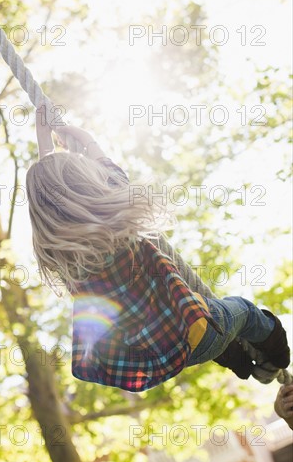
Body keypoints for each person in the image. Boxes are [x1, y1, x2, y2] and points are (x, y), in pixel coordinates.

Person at [26, 109, 291, 392]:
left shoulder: (65, 260)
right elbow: (114, 179)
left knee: (213, 329)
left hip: (157, 360)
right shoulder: (115, 228)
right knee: (246, 312)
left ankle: (235, 357)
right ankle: (274, 357)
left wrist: (44, 147)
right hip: (198, 333)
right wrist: (89, 144)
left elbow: (51, 197)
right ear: (89, 185)